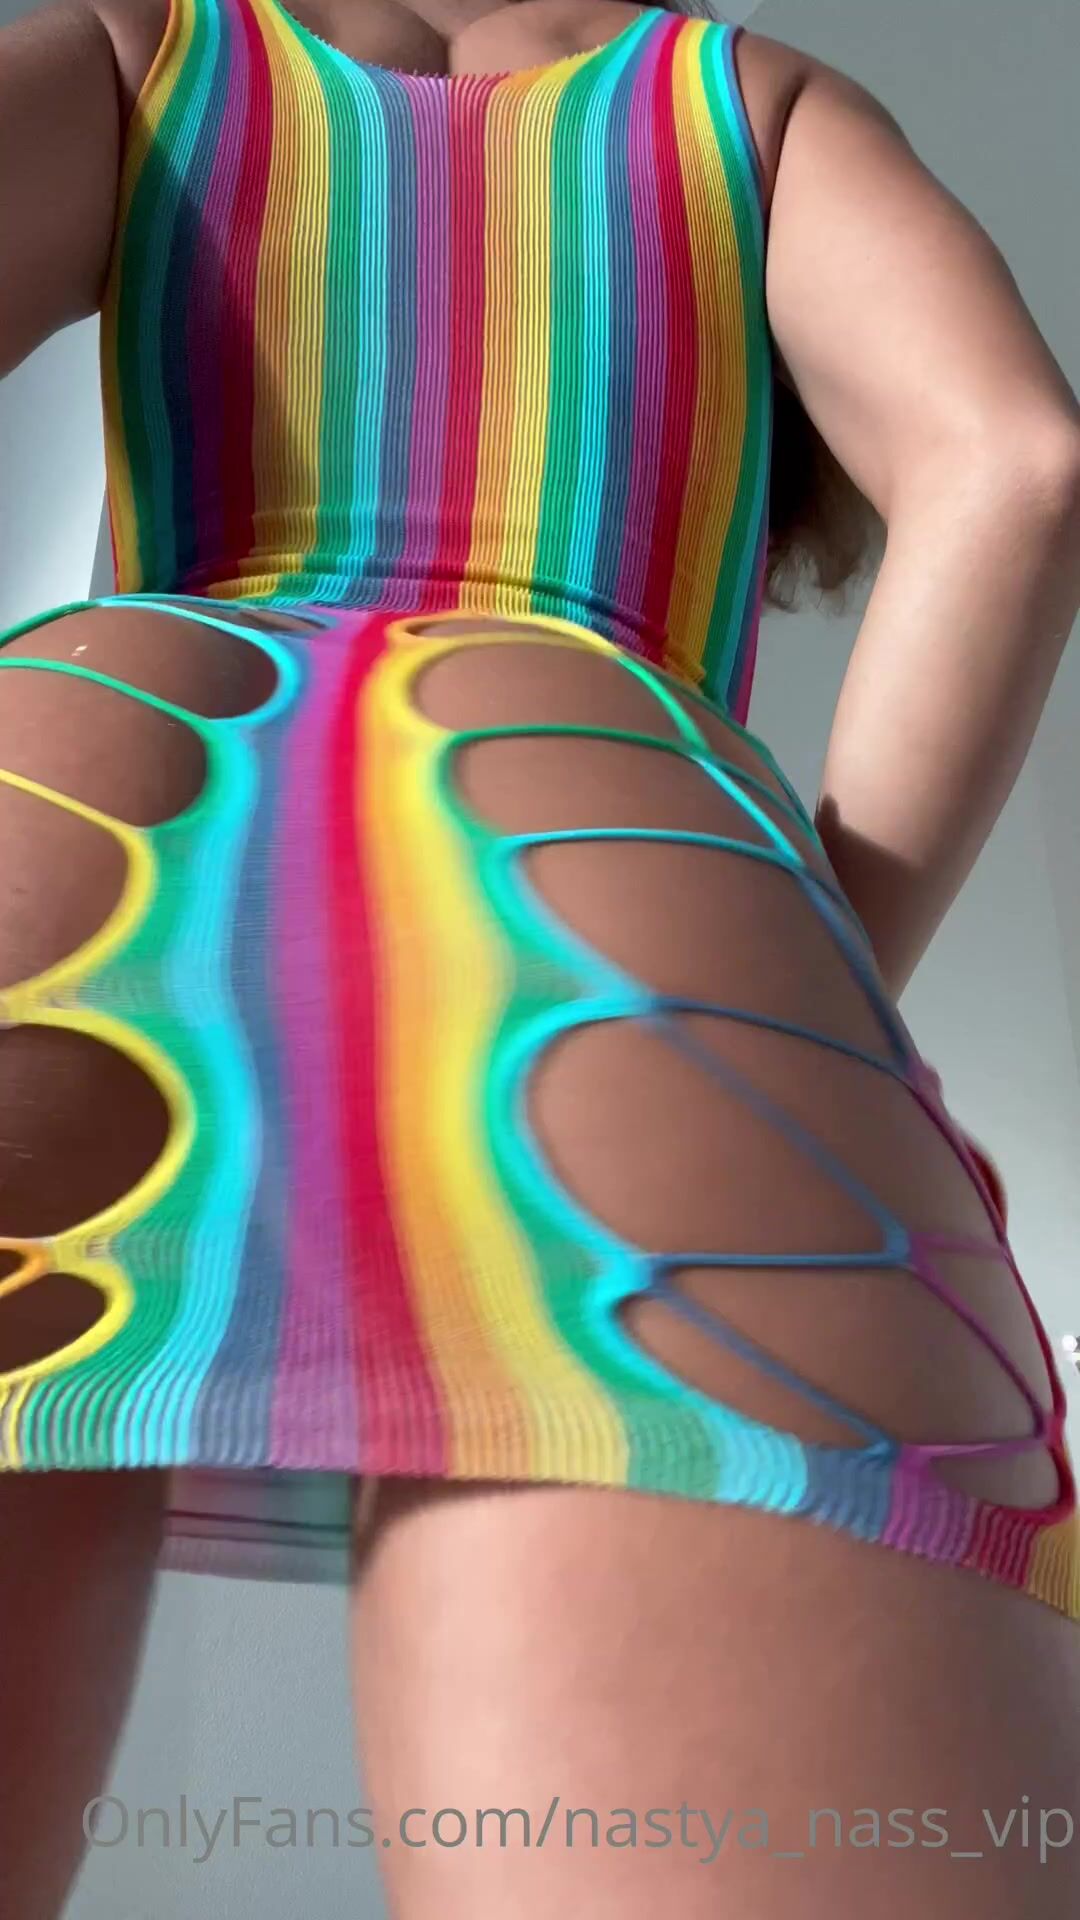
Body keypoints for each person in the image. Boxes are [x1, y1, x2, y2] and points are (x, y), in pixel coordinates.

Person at [2, 0, 1079, 1913]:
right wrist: (815, 1002)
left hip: (96, 769)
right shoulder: (743, 109)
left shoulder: (143, 48)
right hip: (591, 828)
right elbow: (1019, 462)